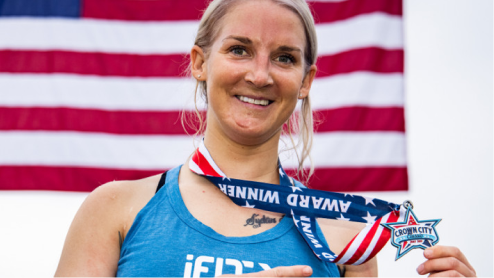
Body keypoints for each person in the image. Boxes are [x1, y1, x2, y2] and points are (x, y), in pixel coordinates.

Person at [55, 0, 477, 277]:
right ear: (200, 62)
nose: (260, 75)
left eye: (284, 57)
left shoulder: (346, 237)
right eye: (239, 49)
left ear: (306, 81)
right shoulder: (114, 209)